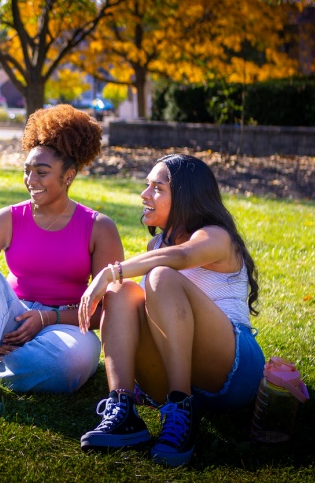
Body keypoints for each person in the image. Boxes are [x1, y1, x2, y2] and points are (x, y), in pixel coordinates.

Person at [0, 104, 124, 416]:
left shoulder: (99, 227)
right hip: (12, 319)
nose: (31, 180)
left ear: (68, 175)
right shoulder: (7, 218)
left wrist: (47, 320)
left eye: (42, 173)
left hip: (68, 325)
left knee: (70, 365)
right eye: (27, 171)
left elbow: (109, 312)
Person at [77, 153, 264, 467]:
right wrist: (114, 280)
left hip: (234, 369)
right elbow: (154, 266)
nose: (145, 195)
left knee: (158, 275)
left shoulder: (216, 236)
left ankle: (181, 408)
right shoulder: (157, 245)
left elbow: (180, 258)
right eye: (147, 186)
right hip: (179, 366)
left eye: (158, 188)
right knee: (121, 292)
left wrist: (110, 271)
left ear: (186, 198)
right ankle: (122, 409)